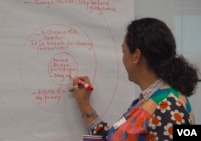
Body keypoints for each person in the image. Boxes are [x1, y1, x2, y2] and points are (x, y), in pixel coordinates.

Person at [70, 17, 200, 141]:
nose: (123, 58)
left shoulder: (169, 106)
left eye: (124, 51)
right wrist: (84, 104)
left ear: (136, 56)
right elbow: (111, 137)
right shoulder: (146, 101)